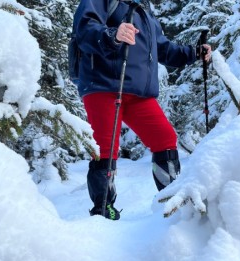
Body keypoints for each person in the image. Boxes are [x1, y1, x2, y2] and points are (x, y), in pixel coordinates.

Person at [73, 0, 212, 220]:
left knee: (164, 137)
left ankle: (173, 202)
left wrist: (192, 53)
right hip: (104, 85)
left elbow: (163, 49)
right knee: (106, 145)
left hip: (138, 92)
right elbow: (85, 29)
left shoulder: (144, 14)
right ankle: (102, 210)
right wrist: (112, 34)